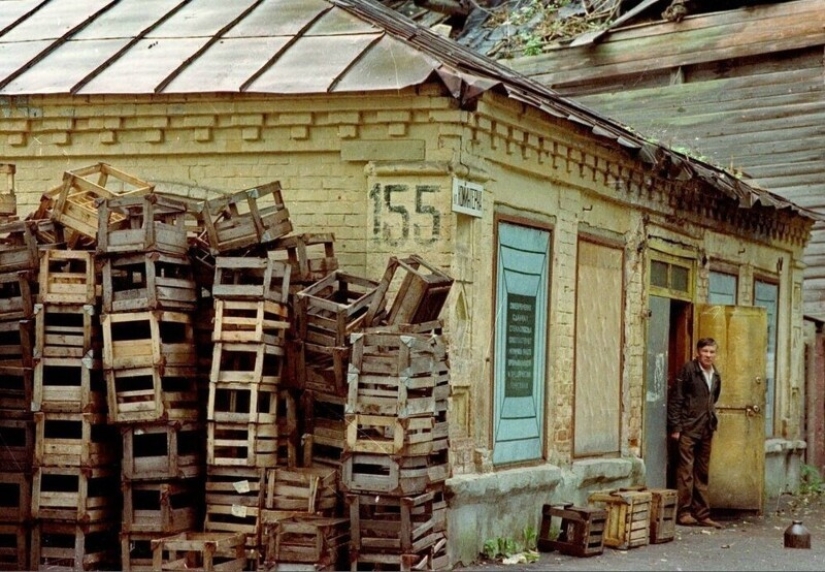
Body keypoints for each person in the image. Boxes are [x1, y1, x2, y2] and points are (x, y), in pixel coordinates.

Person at [667, 337, 723, 528]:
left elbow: (712, 399)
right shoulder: (689, 370)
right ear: (698, 352)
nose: (708, 355)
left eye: (712, 352)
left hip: (706, 428)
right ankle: (684, 513)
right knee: (685, 472)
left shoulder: (715, 375)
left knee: (702, 473)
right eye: (705, 351)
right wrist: (676, 428)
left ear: (716, 353)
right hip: (688, 429)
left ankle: (702, 514)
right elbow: (676, 398)